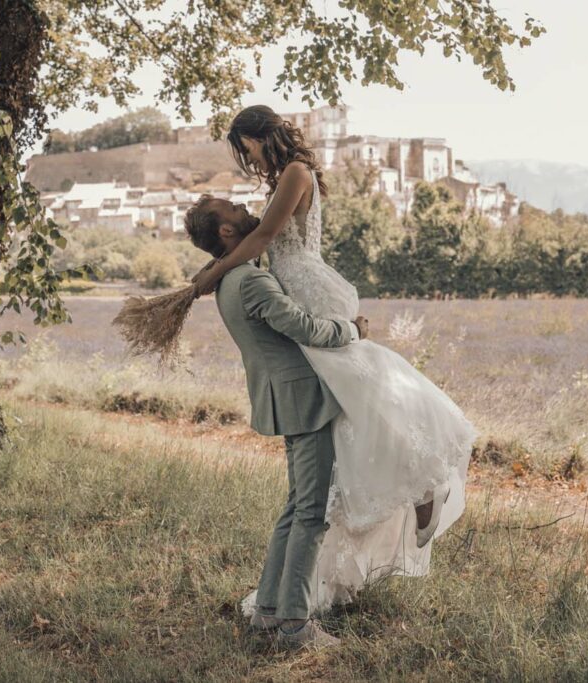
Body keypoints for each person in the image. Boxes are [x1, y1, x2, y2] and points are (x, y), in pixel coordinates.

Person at [190, 105, 479, 618]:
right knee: (348, 408)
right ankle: (384, 503)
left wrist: (211, 272)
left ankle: (424, 483)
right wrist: (217, 264)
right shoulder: (284, 177)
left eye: (247, 147)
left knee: (371, 389)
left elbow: (260, 240)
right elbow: (251, 242)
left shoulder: (296, 174)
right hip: (293, 286)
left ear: (263, 137)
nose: (246, 160)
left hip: (306, 285)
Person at [184, 199, 367, 650]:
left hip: (286, 398)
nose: (243, 204)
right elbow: (303, 327)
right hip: (304, 400)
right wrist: (353, 330)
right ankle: (294, 625)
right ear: (226, 232)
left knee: (296, 507)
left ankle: (269, 611)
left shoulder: (230, 280)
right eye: (231, 207)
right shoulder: (251, 281)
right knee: (311, 512)